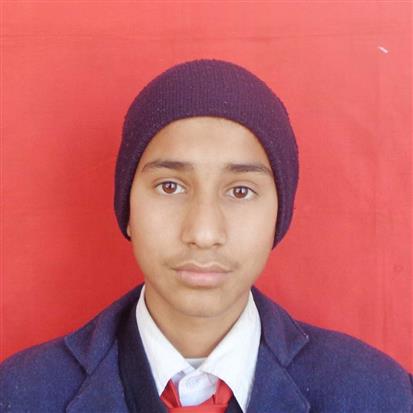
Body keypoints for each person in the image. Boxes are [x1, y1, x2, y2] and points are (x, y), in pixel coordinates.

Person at [0, 59, 412, 413]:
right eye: (170, 186)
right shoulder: (21, 393)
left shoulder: (378, 393)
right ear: (127, 210)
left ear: (278, 216)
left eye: (240, 191)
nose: (203, 233)